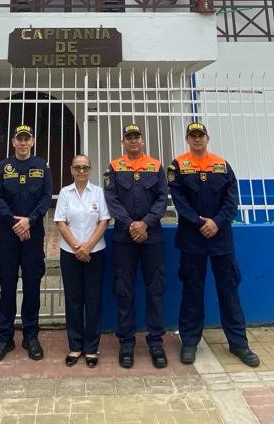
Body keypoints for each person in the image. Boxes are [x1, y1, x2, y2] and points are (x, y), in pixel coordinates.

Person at [167, 122, 260, 368]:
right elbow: (180, 202)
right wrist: (200, 223)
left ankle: (239, 343)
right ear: (187, 139)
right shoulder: (178, 165)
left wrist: (216, 223)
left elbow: (232, 200)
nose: (197, 139)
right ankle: (189, 342)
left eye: (201, 135)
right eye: (192, 135)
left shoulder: (222, 165)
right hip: (192, 238)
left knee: (229, 290)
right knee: (192, 291)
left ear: (208, 138)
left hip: (221, 238)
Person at [103, 123, 168, 369]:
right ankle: (127, 342)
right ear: (123, 142)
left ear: (142, 141)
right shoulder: (115, 167)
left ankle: (155, 341)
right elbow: (111, 199)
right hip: (124, 237)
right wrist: (131, 224)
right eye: (128, 137)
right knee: (124, 289)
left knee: (156, 288)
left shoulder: (156, 166)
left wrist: (146, 224)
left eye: (136, 137)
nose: (133, 141)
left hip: (152, 236)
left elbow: (163, 198)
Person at [0, 124, 52, 363]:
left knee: (33, 285)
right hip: (7, 235)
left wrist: (30, 221)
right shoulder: (1, 168)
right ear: (13, 142)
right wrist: (15, 222)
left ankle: (30, 335)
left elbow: (46, 197)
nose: (23, 143)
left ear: (32, 142)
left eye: (27, 139)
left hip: (33, 235)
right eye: (19, 139)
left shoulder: (42, 167)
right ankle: (5, 337)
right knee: (7, 284)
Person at [55, 154, 110, 368]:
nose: (81, 171)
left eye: (85, 167)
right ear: (71, 169)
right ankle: (75, 346)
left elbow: (104, 221)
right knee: (73, 300)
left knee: (93, 300)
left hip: (95, 252)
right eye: (77, 167)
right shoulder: (65, 193)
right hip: (70, 253)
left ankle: (91, 348)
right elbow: (60, 222)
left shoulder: (98, 192)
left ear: (90, 170)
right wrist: (77, 247)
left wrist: (87, 247)